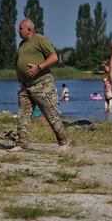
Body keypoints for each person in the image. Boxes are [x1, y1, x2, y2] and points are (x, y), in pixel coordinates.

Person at [8, 19, 69, 153]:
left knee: (51, 114)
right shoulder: (22, 44)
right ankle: (21, 144)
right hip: (25, 86)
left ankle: (63, 143)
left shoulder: (40, 39)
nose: (18, 31)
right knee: (23, 115)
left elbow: (54, 57)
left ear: (29, 30)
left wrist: (39, 67)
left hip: (42, 84)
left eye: (20, 28)